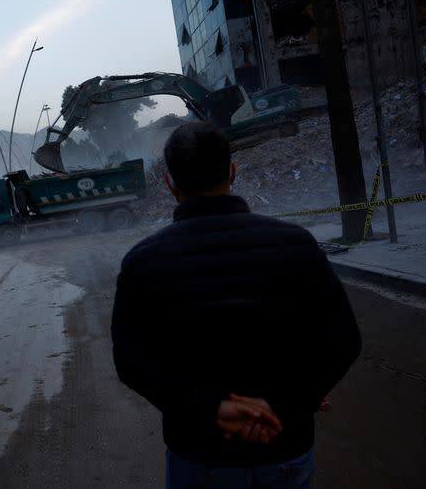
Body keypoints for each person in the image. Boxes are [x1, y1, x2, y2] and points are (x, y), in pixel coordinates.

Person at [111, 122, 361, 488]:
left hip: (199, 454)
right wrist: (284, 408)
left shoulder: (143, 261)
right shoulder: (297, 245)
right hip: (285, 447)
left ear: (169, 184)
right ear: (232, 171)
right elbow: (343, 342)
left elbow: (133, 362)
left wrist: (211, 410)